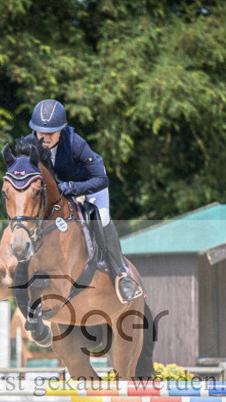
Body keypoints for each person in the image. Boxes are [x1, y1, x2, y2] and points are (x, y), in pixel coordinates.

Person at [24, 99, 141, 303]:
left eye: (51, 133)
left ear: (62, 130)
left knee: (102, 218)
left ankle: (122, 274)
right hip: (57, 192)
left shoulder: (75, 143)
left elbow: (101, 179)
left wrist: (75, 188)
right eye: (41, 132)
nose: (45, 138)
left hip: (88, 185)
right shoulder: (29, 144)